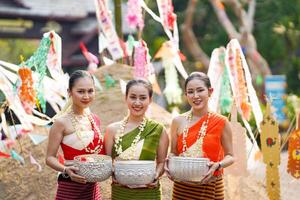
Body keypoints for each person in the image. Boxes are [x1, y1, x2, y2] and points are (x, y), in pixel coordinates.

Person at [167, 72, 235, 200]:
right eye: (190, 92)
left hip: (210, 185)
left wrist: (218, 165)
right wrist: (169, 161)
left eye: (200, 90)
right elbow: (173, 152)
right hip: (182, 188)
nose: (195, 96)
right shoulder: (177, 121)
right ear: (186, 94)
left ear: (210, 91)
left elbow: (230, 156)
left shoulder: (221, 122)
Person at [105, 78, 169, 200]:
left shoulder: (158, 129)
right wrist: (114, 173)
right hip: (121, 192)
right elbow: (107, 162)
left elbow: (161, 162)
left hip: (149, 192)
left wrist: (155, 176)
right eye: (133, 97)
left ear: (150, 100)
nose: (137, 103)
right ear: (126, 98)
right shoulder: (112, 130)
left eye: (143, 98)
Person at [46, 70, 105, 200]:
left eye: (90, 91)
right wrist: (66, 170)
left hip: (93, 188)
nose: (86, 96)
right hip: (70, 188)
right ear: (69, 92)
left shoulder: (95, 120)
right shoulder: (61, 123)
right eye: (81, 91)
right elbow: (49, 158)